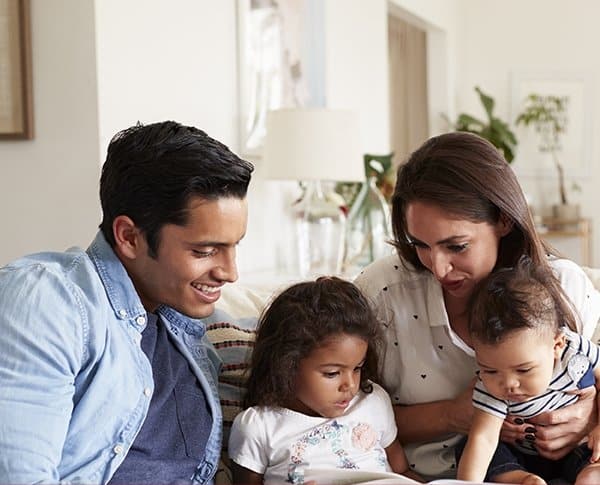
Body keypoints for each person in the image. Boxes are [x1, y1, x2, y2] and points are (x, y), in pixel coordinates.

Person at [0, 121, 254, 484]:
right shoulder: (47, 301)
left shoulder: (186, 324)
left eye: (234, 246)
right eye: (205, 251)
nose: (230, 273)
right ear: (129, 237)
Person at [354, 131, 600, 481]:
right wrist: (453, 414)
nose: (437, 268)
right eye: (420, 244)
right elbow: (333, 417)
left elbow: (590, 369)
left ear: (503, 220)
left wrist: (592, 417)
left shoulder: (564, 288)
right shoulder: (383, 293)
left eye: (456, 246)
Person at [228, 276, 420, 485]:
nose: (351, 385)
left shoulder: (373, 400)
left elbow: (402, 472)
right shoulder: (259, 426)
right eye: (332, 373)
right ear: (286, 365)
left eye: (357, 368)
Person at [457, 256, 600, 485]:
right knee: (469, 446)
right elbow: (483, 439)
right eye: (490, 370)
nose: (508, 384)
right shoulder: (490, 388)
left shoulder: (574, 350)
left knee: (594, 464)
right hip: (523, 457)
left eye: (523, 370)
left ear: (557, 345)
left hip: (578, 447)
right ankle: (522, 479)